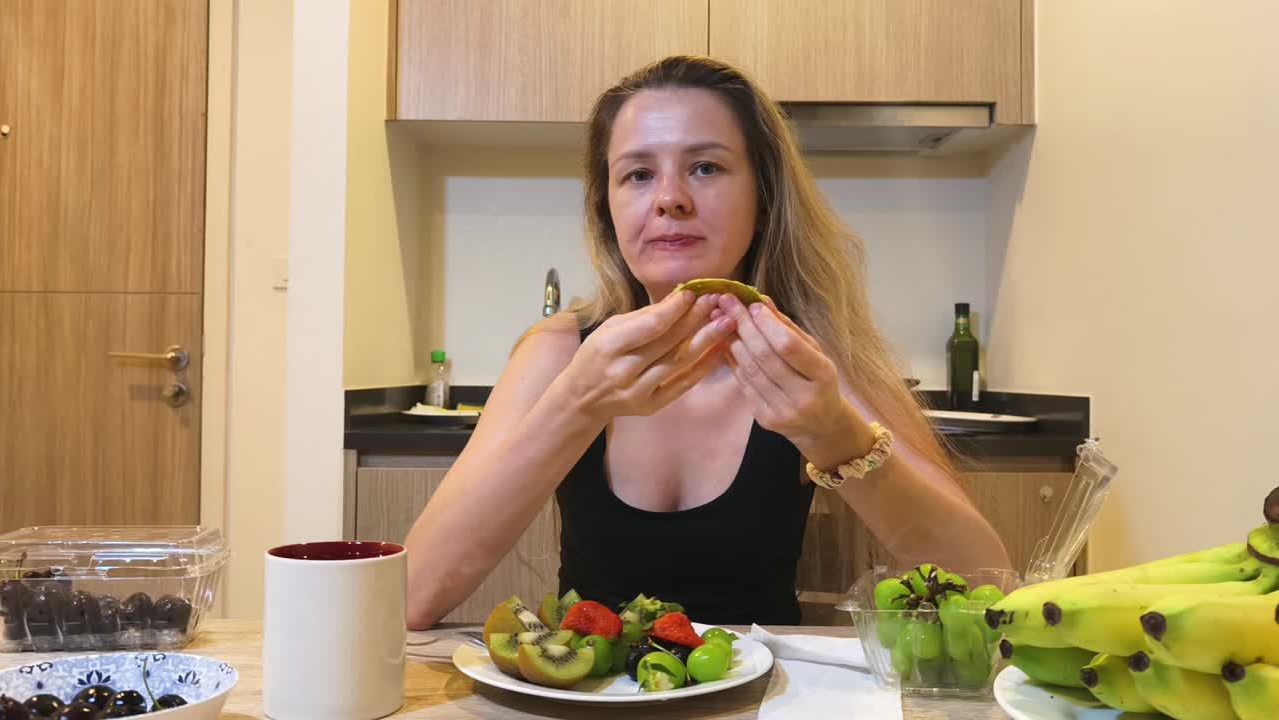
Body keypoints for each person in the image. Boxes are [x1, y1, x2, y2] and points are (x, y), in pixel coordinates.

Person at [404, 55, 1010, 629]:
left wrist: (837, 436)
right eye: (638, 174)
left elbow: (989, 585)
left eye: (705, 168)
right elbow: (411, 596)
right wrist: (577, 405)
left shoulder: (810, 359)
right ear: (606, 210)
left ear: (763, 199)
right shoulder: (558, 353)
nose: (669, 198)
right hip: (588, 690)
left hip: (766, 689)